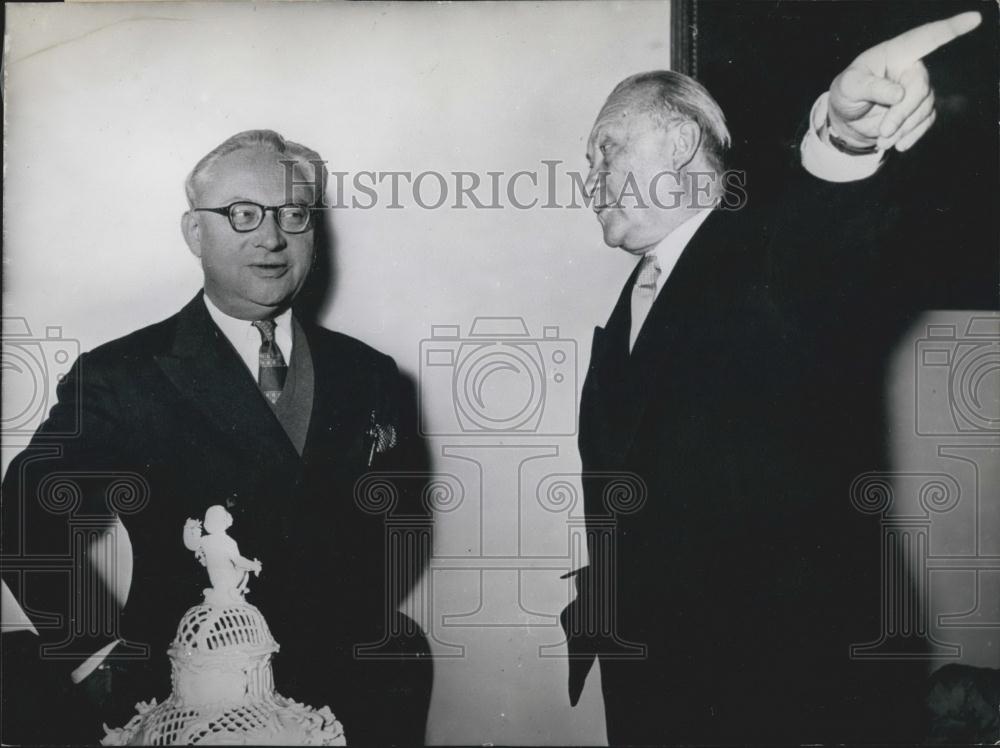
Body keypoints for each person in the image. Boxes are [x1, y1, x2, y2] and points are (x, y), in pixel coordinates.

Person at [560, 12, 982, 744]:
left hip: (771, 692)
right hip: (657, 685)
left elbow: (823, 228)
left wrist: (844, 133)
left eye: (606, 151)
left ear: (682, 140)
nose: (589, 179)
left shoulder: (759, 252)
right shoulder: (643, 290)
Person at [1, 130, 431, 745]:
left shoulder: (371, 373)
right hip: (186, 697)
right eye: (243, 214)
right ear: (194, 233)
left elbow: (399, 527)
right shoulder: (121, 376)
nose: (272, 238)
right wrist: (95, 657)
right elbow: (22, 518)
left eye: (293, 214)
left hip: (341, 699)